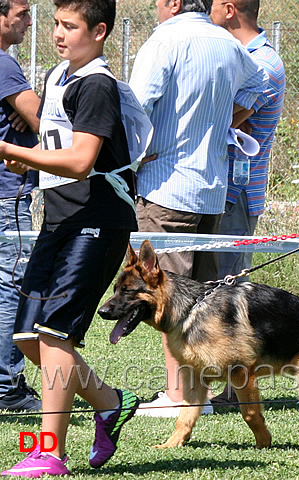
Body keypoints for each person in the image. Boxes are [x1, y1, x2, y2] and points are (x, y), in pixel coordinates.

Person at [0, 0, 141, 476]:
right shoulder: (58, 76)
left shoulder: (98, 84)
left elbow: (82, 161)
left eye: (71, 26)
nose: (58, 34)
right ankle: (110, 403)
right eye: (56, 24)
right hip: (60, 218)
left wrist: (9, 148)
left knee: (55, 334)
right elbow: (57, 146)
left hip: (97, 217)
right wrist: (28, 157)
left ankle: (48, 453)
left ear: (99, 31)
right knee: (26, 337)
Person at [129, 0, 266, 417]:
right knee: (205, 303)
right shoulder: (227, 43)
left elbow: (136, 107)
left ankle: (181, 398)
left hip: (166, 188)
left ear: (173, 3)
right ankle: (198, 397)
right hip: (211, 189)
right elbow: (259, 86)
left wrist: (136, 157)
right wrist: (221, 122)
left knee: (166, 299)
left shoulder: (165, 39)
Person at [208, 0, 286, 406]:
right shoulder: (239, 56)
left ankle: (235, 390)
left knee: (229, 292)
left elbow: (226, 118)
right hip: (221, 189)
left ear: (229, 9)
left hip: (237, 192)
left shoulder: (264, 64)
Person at [0, 0, 41, 413]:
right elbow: (44, 118)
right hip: (6, 196)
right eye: (23, 12)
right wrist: (30, 107)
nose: (30, 20)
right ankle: (8, 387)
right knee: (11, 287)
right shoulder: (4, 65)